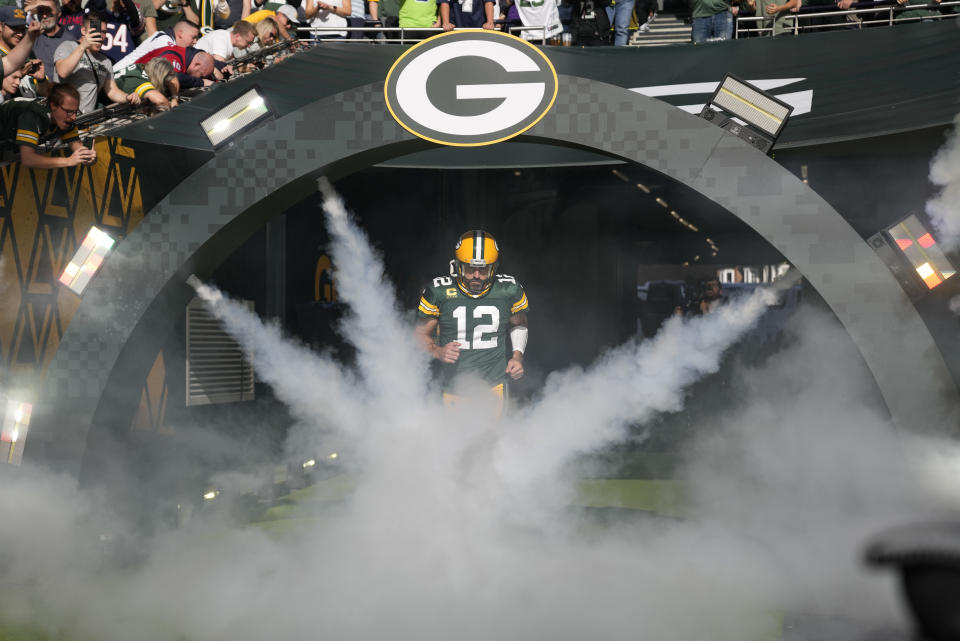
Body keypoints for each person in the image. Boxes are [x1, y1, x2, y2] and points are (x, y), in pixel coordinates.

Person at [414, 230, 529, 412]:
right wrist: (437, 351)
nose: (476, 275)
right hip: (452, 387)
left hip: (493, 386)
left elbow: (519, 324)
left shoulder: (509, 290)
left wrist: (517, 357)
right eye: (470, 269)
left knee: (494, 438)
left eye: (483, 269)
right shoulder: (439, 292)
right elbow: (420, 334)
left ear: (493, 268)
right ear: (458, 266)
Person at [53, 11, 140, 113]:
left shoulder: (105, 61)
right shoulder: (68, 46)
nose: (100, 35)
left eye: (103, 32)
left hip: (86, 120)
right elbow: (62, 72)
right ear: (83, 31)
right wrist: (83, 46)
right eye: (95, 30)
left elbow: (112, 91)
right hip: (63, 116)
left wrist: (127, 97)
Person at [0, 82, 96, 168]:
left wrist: (88, 157)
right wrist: (68, 161)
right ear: (53, 106)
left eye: (76, 111)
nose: (74, 117)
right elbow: (28, 159)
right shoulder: (33, 115)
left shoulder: (65, 117)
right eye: (69, 111)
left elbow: (77, 148)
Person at [111, 17, 198, 71]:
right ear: (180, 34)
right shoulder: (164, 41)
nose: (195, 41)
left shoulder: (165, 38)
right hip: (119, 78)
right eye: (193, 37)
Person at [24, 0, 78, 77]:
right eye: (41, 12)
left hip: (59, 87)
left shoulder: (70, 39)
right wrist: (26, 10)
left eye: (49, 12)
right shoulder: (32, 35)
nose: (44, 16)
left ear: (59, 13)